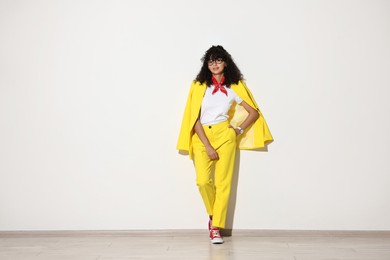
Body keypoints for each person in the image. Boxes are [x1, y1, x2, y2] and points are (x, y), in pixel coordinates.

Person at [177, 45, 273, 244]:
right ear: (207, 64)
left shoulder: (234, 86)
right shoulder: (198, 86)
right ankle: (215, 215)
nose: (214, 64)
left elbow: (253, 112)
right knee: (203, 181)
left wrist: (237, 130)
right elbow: (192, 118)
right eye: (210, 61)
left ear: (225, 62)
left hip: (225, 135)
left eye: (218, 60)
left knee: (223, 184)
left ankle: (215, 228)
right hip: (202, 135)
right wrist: (208, 146)